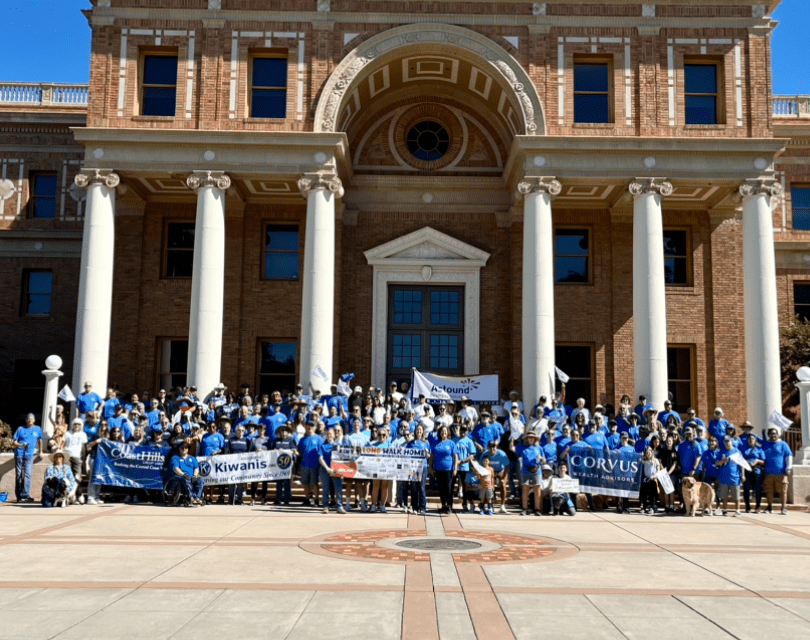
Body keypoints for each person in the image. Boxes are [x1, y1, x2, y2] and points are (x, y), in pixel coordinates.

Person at [12, 413, 43, 503]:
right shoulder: (20, 429)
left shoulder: (37, 429)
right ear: (26, 420)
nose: (30, 421)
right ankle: (19, 496)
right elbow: (14, 442)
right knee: (19, 474)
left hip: (29, 455)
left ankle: (25, 495)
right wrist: (21, 445)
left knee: (27, 474)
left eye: (32, 419)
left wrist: (41, 451)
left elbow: (40, 440)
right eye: (28, 419)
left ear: (34, 420)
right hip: (19, 454)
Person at [762, 427, 793, 515]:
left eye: (775, 433)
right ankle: (769, 507)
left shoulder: (783, 444)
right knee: (769, 491)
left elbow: (788, 456)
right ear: (769, 435)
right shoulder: (765, 444)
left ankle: (783, 508)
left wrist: (788, 468)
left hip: (781, 473)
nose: (773, 435)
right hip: (768, 472)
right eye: (771, 433)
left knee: (783, 491)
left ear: (778, 434)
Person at [430, 424, 459, 514]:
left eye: (445, 432)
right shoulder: (435, 442)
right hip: (438, 469)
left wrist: (455, 469)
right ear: (440, 433)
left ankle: (449, 506)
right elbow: (431, 456)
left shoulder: (451, 443)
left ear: (447, 433)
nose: (443, 433)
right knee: (441, 488)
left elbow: (456, 457)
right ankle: (443, 505)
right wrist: (430, 468)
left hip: (448, 470)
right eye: (442, 431)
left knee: (448, 488)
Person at [317, 428, 345, 514]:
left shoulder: (338, 445)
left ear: (334, 435)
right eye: (328, 434)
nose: (329, 436)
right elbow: (320, 458)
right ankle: (326, 506)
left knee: (338, 488)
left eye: (331, 434)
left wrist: (343, 471)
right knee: (326, 489)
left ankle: (339, 506)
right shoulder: (323, 445)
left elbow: (343, 458)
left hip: (336, 470)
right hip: (326, 470)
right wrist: (327, 468)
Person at [716, 435, 745, 516]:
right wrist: (722, 461)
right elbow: (716, 463)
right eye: (725, 441)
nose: (727, 443)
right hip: (724, 476)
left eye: (728, 441)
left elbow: (741, 464)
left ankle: (738, 510)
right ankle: (724, 510)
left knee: (736, 495)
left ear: (731, 441)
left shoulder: (737, 451)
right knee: (724, 495)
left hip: (735, 477)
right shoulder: (721, 452)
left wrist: (743, 475)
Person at [169, 442, 205, 507]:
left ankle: (197, 497)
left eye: (186, 448)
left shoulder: (193, 458)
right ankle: (191, 497)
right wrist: (183, 475)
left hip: (192, 477)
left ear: (188, 449)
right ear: (179, 449)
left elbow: (196, 468)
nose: (184, 449)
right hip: (180, 477)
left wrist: (195, 475)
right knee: (186, 480)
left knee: (201, 480)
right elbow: (175, 468)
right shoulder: (175, 458)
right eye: (182, 448)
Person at [406, 423, 430, 515]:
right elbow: (407, 455)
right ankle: (414, 506)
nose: (419, 431)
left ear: (423, 431)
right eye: (417, 430)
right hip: (413, 468)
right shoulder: (411, 443)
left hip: (423, 468)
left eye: (420, 430)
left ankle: (423, 507)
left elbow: (428, 456)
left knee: (421, 488)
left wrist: (427, 453)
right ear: (415, 431)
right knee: (414, 487)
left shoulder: (426, 443)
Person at [297, 421, 323, 507]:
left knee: (314, 483)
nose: (310, 428)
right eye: (308, 426)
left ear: (315, 428)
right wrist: (296, 452)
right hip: (304, 464)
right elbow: (300, 452)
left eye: (312, 426)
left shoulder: (319, 439)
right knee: (305, 483)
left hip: (315, 465)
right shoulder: (302, 439)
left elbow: (321, 452)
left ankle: (316, 500)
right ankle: (307, 498)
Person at [517, 430, 543, 516]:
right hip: (526, 469)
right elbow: (512, 449)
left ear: (535, 439)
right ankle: (525, 508)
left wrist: (542, 459)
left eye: (532, 437)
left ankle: (537, 509)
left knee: (537, 489)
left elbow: (544, 460)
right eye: (529, 438)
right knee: (525, 488)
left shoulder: (539, 448)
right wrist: (512, 439)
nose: (531, 439)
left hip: (537, 469)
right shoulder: (522, 447)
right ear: (527, 439)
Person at [481, 440, 510, 513]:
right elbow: (480, 465)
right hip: (489, 471)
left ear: (496, 447)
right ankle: (486, 504)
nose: (492, 448)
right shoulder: (485, 454)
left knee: (503, 484)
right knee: (486, 485)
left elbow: (507, 466)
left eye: (493, 446)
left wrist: (503, 478)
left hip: (500, 470)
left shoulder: (501, 454)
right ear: (488, 447)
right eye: (490, 447)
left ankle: (502, 506)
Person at [272, 423, 297, 505]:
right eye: (282, 430)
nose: (283, 432)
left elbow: (294, 450)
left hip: (288, 464)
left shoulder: (291, 440)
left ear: (287, 431)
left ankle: (287, 499)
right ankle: (278, 498)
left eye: (285, 430)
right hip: (278, 465)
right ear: (279, 431)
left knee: (287, 482)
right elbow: (272, 451)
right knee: (279, 482)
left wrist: (292, 451)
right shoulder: (276, 440)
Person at [742, 433, 765, 513]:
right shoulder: (744, 450)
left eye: (753, 439)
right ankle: (747, 506)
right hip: (747, 471)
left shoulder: (759, 450)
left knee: (758, 489)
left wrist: (757, 461)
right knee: (746, 489)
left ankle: (758, 506)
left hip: (757, 472)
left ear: (755, 441)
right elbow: (741, 461)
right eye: (749, 439)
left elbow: (764, 462)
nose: (751, 440)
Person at [63, 417, 88, 485]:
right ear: (72, 425)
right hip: (67, 456)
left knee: (77, 475)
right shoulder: (67, 433)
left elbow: (83, 447)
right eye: (75, 424)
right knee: (66, 474)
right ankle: (67, 491)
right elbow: (62, 444)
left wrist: (83, 458)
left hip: (77, 456)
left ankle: (75, 491)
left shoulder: (83, 434)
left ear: (81, 425)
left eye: (79, 424)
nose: (77, 425)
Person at [640, 446, 662, 514]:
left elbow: (658, 470)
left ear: (652, 453)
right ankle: (643, 507)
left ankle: (652, 507)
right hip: (646, 479)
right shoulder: (644, 461)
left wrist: (655, 476)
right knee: (644, 494)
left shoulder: (656, 461)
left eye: (649, 452)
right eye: (647, 453)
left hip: (653, 479)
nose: (648, 454)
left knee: (652, 494)